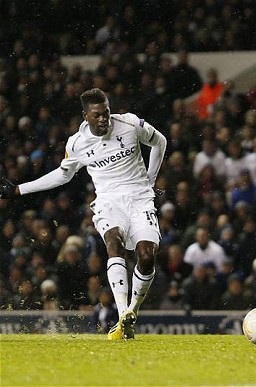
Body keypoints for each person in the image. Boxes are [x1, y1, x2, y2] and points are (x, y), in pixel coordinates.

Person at [0, 88, 167, 340]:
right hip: (109, 201)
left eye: (107, 113)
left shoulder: (130, 123)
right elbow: (62, 175)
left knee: (146, 255)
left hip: (140, 197)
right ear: (85, 115)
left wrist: (150, 181)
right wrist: (19, 190)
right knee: (114, 242)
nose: (104, 119)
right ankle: (123, 315)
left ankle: (133, 311)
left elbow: (160, 142)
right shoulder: (77, 143)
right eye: (98, 115)